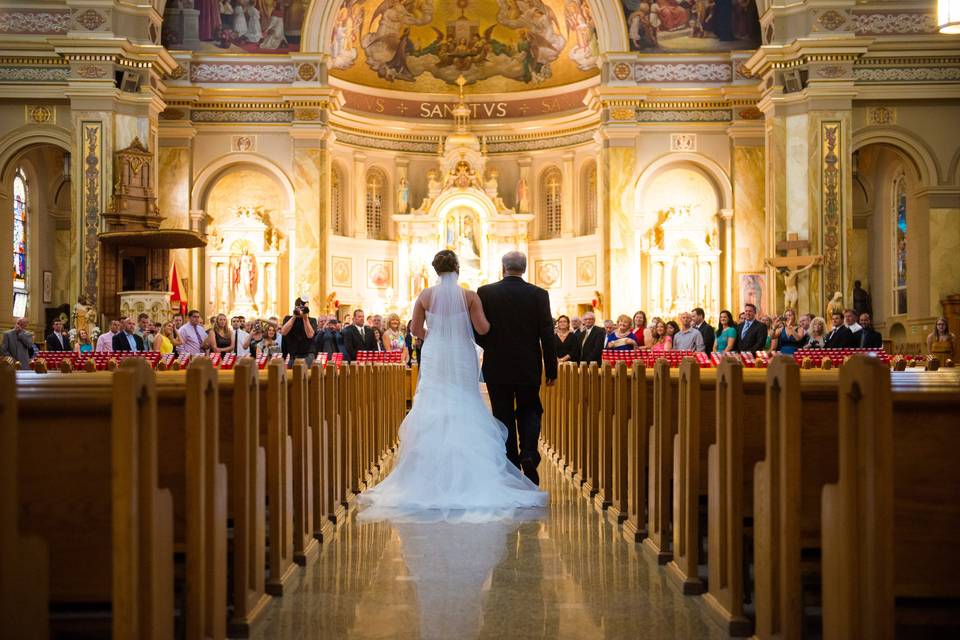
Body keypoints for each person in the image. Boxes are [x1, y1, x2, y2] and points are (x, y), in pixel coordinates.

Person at [357, 249, 548, 518]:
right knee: (464, 400)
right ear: (457, 268)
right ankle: (472, 470)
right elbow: (483, 329)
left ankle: (429, 473)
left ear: (436, 269)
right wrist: (464, 331)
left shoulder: (425, 296)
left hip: (436, 351)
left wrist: (434, 335)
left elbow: (414, 330)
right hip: (460, 353)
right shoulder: (469, 296)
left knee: (434, 402)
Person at [279, 298, 318, 366]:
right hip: (293, 356)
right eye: (300, 307)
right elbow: (283, 332)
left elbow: (310, 335)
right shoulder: (288, 318)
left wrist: (305, 318)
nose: (302, 310)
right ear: (295, 307)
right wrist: (294, 316)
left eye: (305, 308)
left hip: (308, 355)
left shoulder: (312, 320)